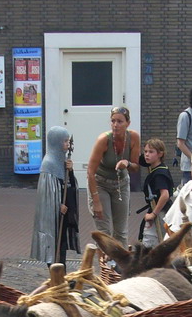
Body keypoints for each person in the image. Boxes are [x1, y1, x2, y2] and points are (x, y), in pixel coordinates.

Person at [86, 106, 140, 245]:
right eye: (113, 121)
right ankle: (105, 266)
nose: (115, 125)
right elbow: (90, 172)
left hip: (120, 183)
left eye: (120, 121)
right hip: (100, 183)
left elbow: (135, 167)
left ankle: (120, 265)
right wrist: (96, 201)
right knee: (105, 232)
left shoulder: (133, 137)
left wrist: (126, 163)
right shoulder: (103, 140)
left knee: (121, 232)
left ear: (128, 123)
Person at [31, 126, 79, 266]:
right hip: (54, 216)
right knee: (54, 243)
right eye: (64, 141)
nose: (67, 144)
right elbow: (46, 196)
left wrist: (70, 171)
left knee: (62, 243)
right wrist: (57, 205)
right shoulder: (49, 164)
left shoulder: (63, 162)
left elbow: (70, 184)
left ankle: (61, 272)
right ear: (55, 142)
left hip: (64, 214)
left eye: (68, 141)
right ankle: (55, 273)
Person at [139, 138, 174, 247]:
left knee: (151, 241)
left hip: (161, 212)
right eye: (145, 152)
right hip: (158, 210)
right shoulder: (157, 168)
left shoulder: (159, 173)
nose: (147, 155)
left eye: (151, 152)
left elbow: (165, 195)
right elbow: (141, 161)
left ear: (160, 154)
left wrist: (154, 214)